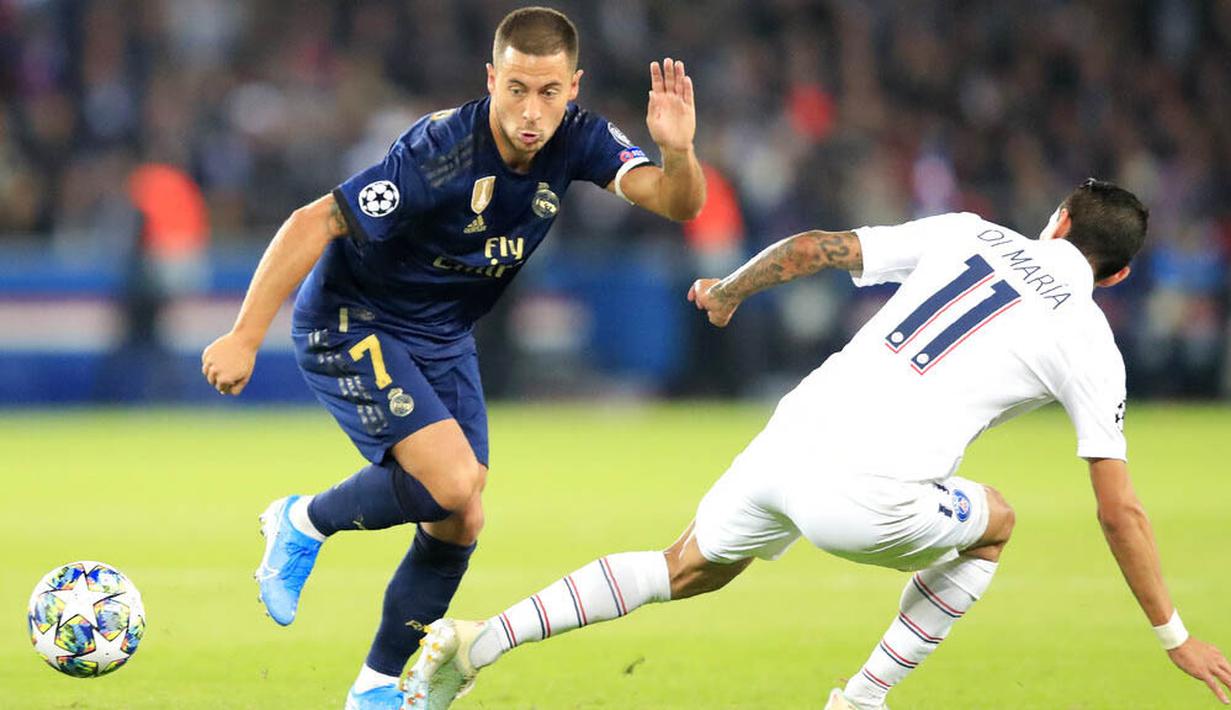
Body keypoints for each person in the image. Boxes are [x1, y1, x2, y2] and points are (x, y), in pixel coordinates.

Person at [405, 179, 1231, 709]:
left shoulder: (968, 231)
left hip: (792, 433)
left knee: (684, 565)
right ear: (1116, 275)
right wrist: (1173, 635)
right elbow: (1116, 507)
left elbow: (812, 249)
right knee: (998, 519)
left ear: (1055, 219)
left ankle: (479, 642)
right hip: (869, 497)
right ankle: (859, 703)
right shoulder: (1089, 340)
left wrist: (729, 290)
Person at [199, 7, 705, 709]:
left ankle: (374, 687)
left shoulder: (581, 140)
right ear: (491, 78)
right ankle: (301, 521)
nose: (532, 111)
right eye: (518, 89)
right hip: (354, 319)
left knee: (460, 516)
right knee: (449, 482)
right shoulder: (439, 151)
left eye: (550, 92)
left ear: (573, 86)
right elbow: (312, 219)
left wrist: (676, 151)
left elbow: (678, 204)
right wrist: (244, 336)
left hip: (441, 333)